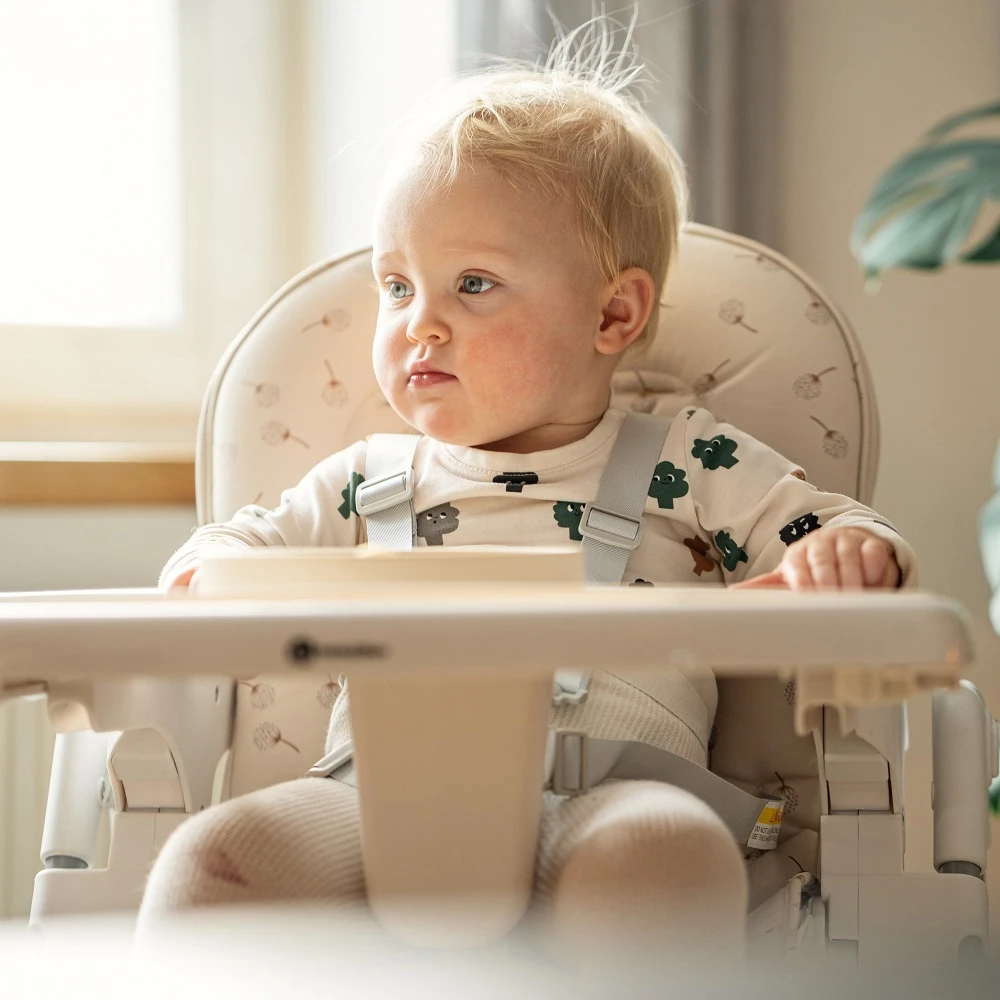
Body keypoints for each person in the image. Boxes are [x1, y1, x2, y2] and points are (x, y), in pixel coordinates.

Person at [139, 22, 913, 971]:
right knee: (214, 861)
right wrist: (205, 575)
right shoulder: (364, 480)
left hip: (614, 795)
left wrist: (848, 556)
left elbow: (834, 530)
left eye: (472, 284)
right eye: (396, 286)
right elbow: (232, 550)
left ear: (613, 312)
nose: (419, 324)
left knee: (666, 861)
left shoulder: (690, 458)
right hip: (369, 799)